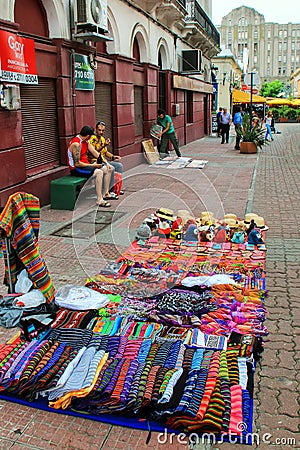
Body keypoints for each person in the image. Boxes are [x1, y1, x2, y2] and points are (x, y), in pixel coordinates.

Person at [67, 125, 112, 207]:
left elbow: (95, 153)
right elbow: (77, 164)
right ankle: (99, 199)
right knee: (99, 172)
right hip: (77, 169)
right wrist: (93, 165)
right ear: (88, 136)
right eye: (91, 136)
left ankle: (106, 193)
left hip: (86, 166)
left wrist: (106, 162)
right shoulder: (76, 144)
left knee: (108, 169)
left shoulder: (86, 142)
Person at [89, 121, 124, 196]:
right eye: (99, 130)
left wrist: (113, 156)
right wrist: (103, 145)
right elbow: (94, 152)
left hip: (103, 160)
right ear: (95, 129)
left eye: (103, 130)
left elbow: (105, 152)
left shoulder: (102, 139)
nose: (101, 132)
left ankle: (116, 188)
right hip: (95, 162)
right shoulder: (92, 139)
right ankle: (110, 190)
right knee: (111, 168)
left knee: (119, 166)